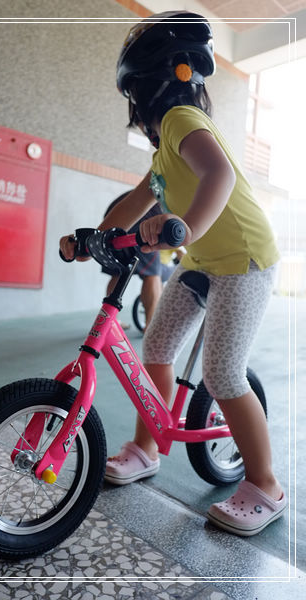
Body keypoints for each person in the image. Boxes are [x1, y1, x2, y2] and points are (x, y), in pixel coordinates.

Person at [60, 11, 286, 537]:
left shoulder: (183, 119)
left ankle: (265, 485)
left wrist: (184, 226)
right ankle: (145, 447)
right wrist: (89, 238)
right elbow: (136, 203)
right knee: (157, 351)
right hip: (204, 261)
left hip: (246, 260)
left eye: (133, 95)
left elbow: (221, 173)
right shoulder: (163, 150)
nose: (133, 108)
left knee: (223, 374)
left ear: (146, 91)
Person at [102, 192, 167, 331]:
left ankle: (110, 323)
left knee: (118, 272)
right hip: (139, 220)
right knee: (152, 274)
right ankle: (150, 326)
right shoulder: (166, 193)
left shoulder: (149, 187)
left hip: (113, 219)